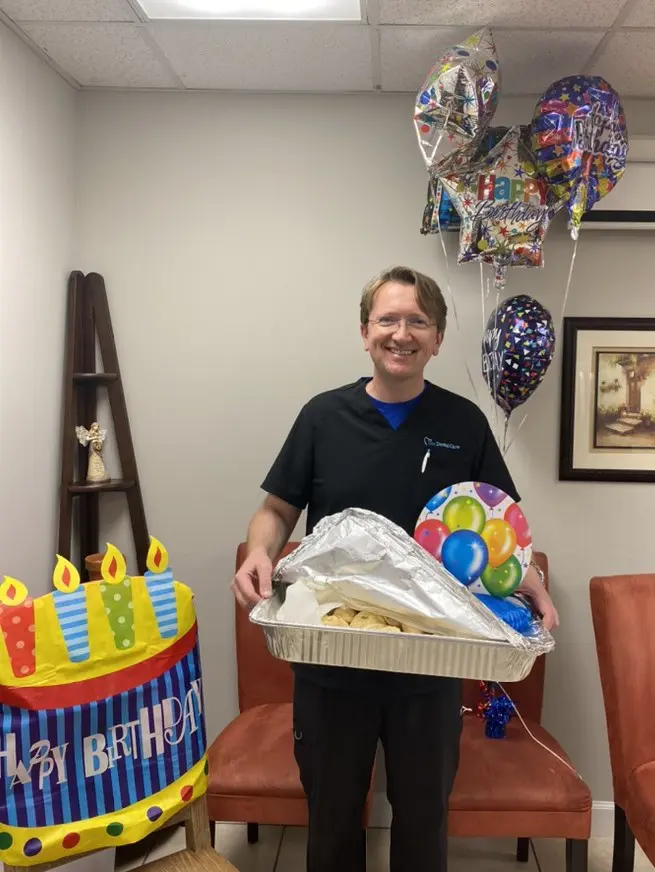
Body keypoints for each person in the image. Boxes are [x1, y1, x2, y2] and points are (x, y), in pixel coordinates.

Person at [231, 266, 559, 872]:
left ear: (436, 340)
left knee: (423, 817)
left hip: (429, 665)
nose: (401, 333)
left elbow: (498, 532)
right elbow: (277, 509)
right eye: (387, 319)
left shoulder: (464, 424)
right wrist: (258, 550)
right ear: (364, 332)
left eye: (417, 321)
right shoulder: (322, 417)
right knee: (330, 818)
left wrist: (533, 586)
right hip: (333, 657)